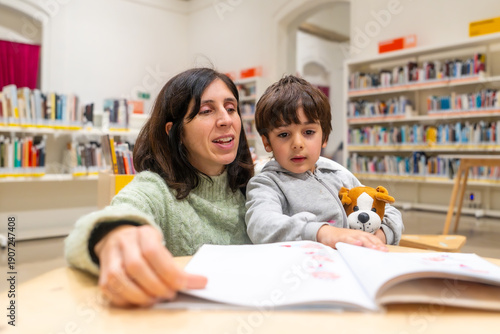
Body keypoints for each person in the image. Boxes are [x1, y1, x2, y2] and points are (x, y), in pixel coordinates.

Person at [64, 68, 255, 307]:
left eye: (231, 108)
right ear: (175, 133)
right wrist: (113, 233)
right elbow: (92, 230)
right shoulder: (156, 188)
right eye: (206, 111)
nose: (226, 120)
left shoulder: (255, 187)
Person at [245, 75, 403, 250]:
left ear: (325, 137)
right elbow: (261, 225)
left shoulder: (338, 174)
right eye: (284, 134)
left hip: (354, 261)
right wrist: (323, 233)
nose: (298, 144)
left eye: (309, 132)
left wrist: (378, 238)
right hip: (304, 268)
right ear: (267, 142)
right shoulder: (267, 184)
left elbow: (387, 211)